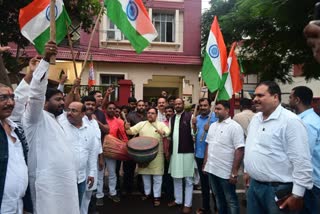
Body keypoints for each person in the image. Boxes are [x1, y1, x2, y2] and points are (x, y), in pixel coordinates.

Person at [22, 42, 79, 214]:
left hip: (65, 184)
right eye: (57, 100)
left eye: (63, 99)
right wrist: (45, 60)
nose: (63, 103)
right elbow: (36, 93)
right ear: (44, 102)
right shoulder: (35, 118)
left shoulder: (57, 119)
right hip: (46, 186)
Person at [244, 81, 313, 214]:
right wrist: (248, 170)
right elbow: (251, 146)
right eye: (254, 96)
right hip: (254, 188)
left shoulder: (290, 121)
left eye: (260, 95)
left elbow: (301, 160)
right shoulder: (255, 119)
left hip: (278, 191)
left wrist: (297, 195)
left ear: (275, 97)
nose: (255, 99)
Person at [204, 100, 244, 214]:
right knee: (218, 198)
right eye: (215, 109)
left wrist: (234, 172)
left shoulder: (235, 127)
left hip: (226, 172)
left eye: (218, 109)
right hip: (212, 169)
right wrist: (205, 164)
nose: (215, 111)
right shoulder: (212, 125)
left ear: (227, 110)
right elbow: (208, 144)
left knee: (231, 200)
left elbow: (240, 149)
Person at [125, 107, 170, 207]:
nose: (150, 115)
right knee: (145, 176)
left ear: (156, 115)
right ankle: (147, 193)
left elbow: (167, 131)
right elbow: (130, 132)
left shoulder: (161, 124)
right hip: (143, 155)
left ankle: (157, 197)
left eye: (153, 113)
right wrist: (127, 127)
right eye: (149, 113)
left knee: (157, 177)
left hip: (157, 155)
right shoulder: (142, 124)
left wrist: (163, 132)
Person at [288, 86, 320, 214]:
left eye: (290, 97)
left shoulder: (307, 123)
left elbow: (305, 154)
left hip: (310, 183)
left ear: (297, 100)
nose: (288, 100)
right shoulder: (311, 119)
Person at [0, 83, 31, 213]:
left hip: (18, 204)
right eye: (3, 98)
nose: (10, 102)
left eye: (12, 97)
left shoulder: (15, 129)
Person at [168, 98, 195, 214]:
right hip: (175, 153)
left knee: (188, 179)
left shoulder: (190, 116)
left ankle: (187, 204)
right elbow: (169, 135)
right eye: (176, 104)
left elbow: (194, 134)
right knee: (176, 177)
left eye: (180, 103)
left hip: (187, 152)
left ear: (183, 104)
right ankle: (178, 200)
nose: (178, 105)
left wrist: (194, 127)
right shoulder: (172, 118)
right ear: (174, 105)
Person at [192, 98, 218, 214]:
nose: (202, 107)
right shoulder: (196, 119)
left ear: (209, 106)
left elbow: (218, 137)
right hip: (199, 155)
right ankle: (206, 208)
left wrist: (210, 130)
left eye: (205, 105)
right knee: (204, 185)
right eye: (201, 106)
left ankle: (218, 208)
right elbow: (195, 135)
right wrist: (193, 127)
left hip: (211, 156)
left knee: (214, 185)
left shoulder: (215, 119)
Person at [80, 96, 103, 214]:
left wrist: (100, 159)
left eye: (92, 104)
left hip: (93, 163)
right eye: (87, 104)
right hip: (81, 163)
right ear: (83, 105)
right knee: (80, 193)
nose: (90, 106)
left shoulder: (94, 122)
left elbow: (98, 142)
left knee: (89, 192)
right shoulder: (78, 120)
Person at [103, 102, 128, 202]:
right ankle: (99, 194)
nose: (112, 110)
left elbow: (123, 136)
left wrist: (127, 146)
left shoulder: (119, 122)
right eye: (110, 108)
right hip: (99, 150)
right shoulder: (101, 119)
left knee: (112, 173)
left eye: (114, 109)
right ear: (106, 109)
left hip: (111, 150)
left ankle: (112, 193)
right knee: (99, 173)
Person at [88, 90, 109, 207]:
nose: (101, 98)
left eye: (102, 96)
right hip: (85, 152)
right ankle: (89, 196)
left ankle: (99, 196)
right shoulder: (82, 113)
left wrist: (97, 122)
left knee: (100, 173)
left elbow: (106, 130)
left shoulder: (100, 113)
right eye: (98, 96)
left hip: (98, 149)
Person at [123, 100, 147, 195]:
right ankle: (127, 188)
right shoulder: (130, 115)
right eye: (139, 105)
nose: (141, 107)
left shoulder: (147, 116)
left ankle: (141, 188)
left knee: (143, 169)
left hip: (144, 145)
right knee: (129, 168)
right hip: (132, 145)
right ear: (137, 106)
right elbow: (127, 130)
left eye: (143, 105)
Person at [162, 105, 175, 203]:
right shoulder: (162, 124)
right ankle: (167, 194)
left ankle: (175, 195)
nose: (168, 113)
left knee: (174, 175)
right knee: (166, 174)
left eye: (170, 111)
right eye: (166, 112)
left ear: (173, 112)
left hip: (175, 153)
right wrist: (166, 152)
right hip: (164, 152)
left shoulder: (176, 123)